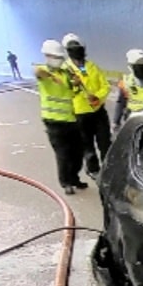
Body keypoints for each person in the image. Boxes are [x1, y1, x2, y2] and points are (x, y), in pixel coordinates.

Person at [36, 38, 87, 194]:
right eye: (55, 57)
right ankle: (66, 183)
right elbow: (38, 72)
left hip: (71, 120)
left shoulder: (65, 73)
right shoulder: (43, 70)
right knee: (63, 154)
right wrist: (51, 76)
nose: (58, 61)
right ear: (48, 56)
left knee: (78, 152)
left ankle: (74, 178)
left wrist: (77, 83)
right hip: (54, 122)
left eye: (60, 58)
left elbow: (73, 90)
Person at [63, 33, 111, 176]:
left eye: (79, 48)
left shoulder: (92, 67)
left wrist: (97, 96)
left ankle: (108, 168)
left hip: (98, 112)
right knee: (87, 145)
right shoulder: (65, 70)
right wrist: (75, 86)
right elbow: (64, 92)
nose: (77, 51)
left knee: (105, 142)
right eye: (73, 48)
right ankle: (93, 169)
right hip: (79, 114)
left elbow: (105, 86)